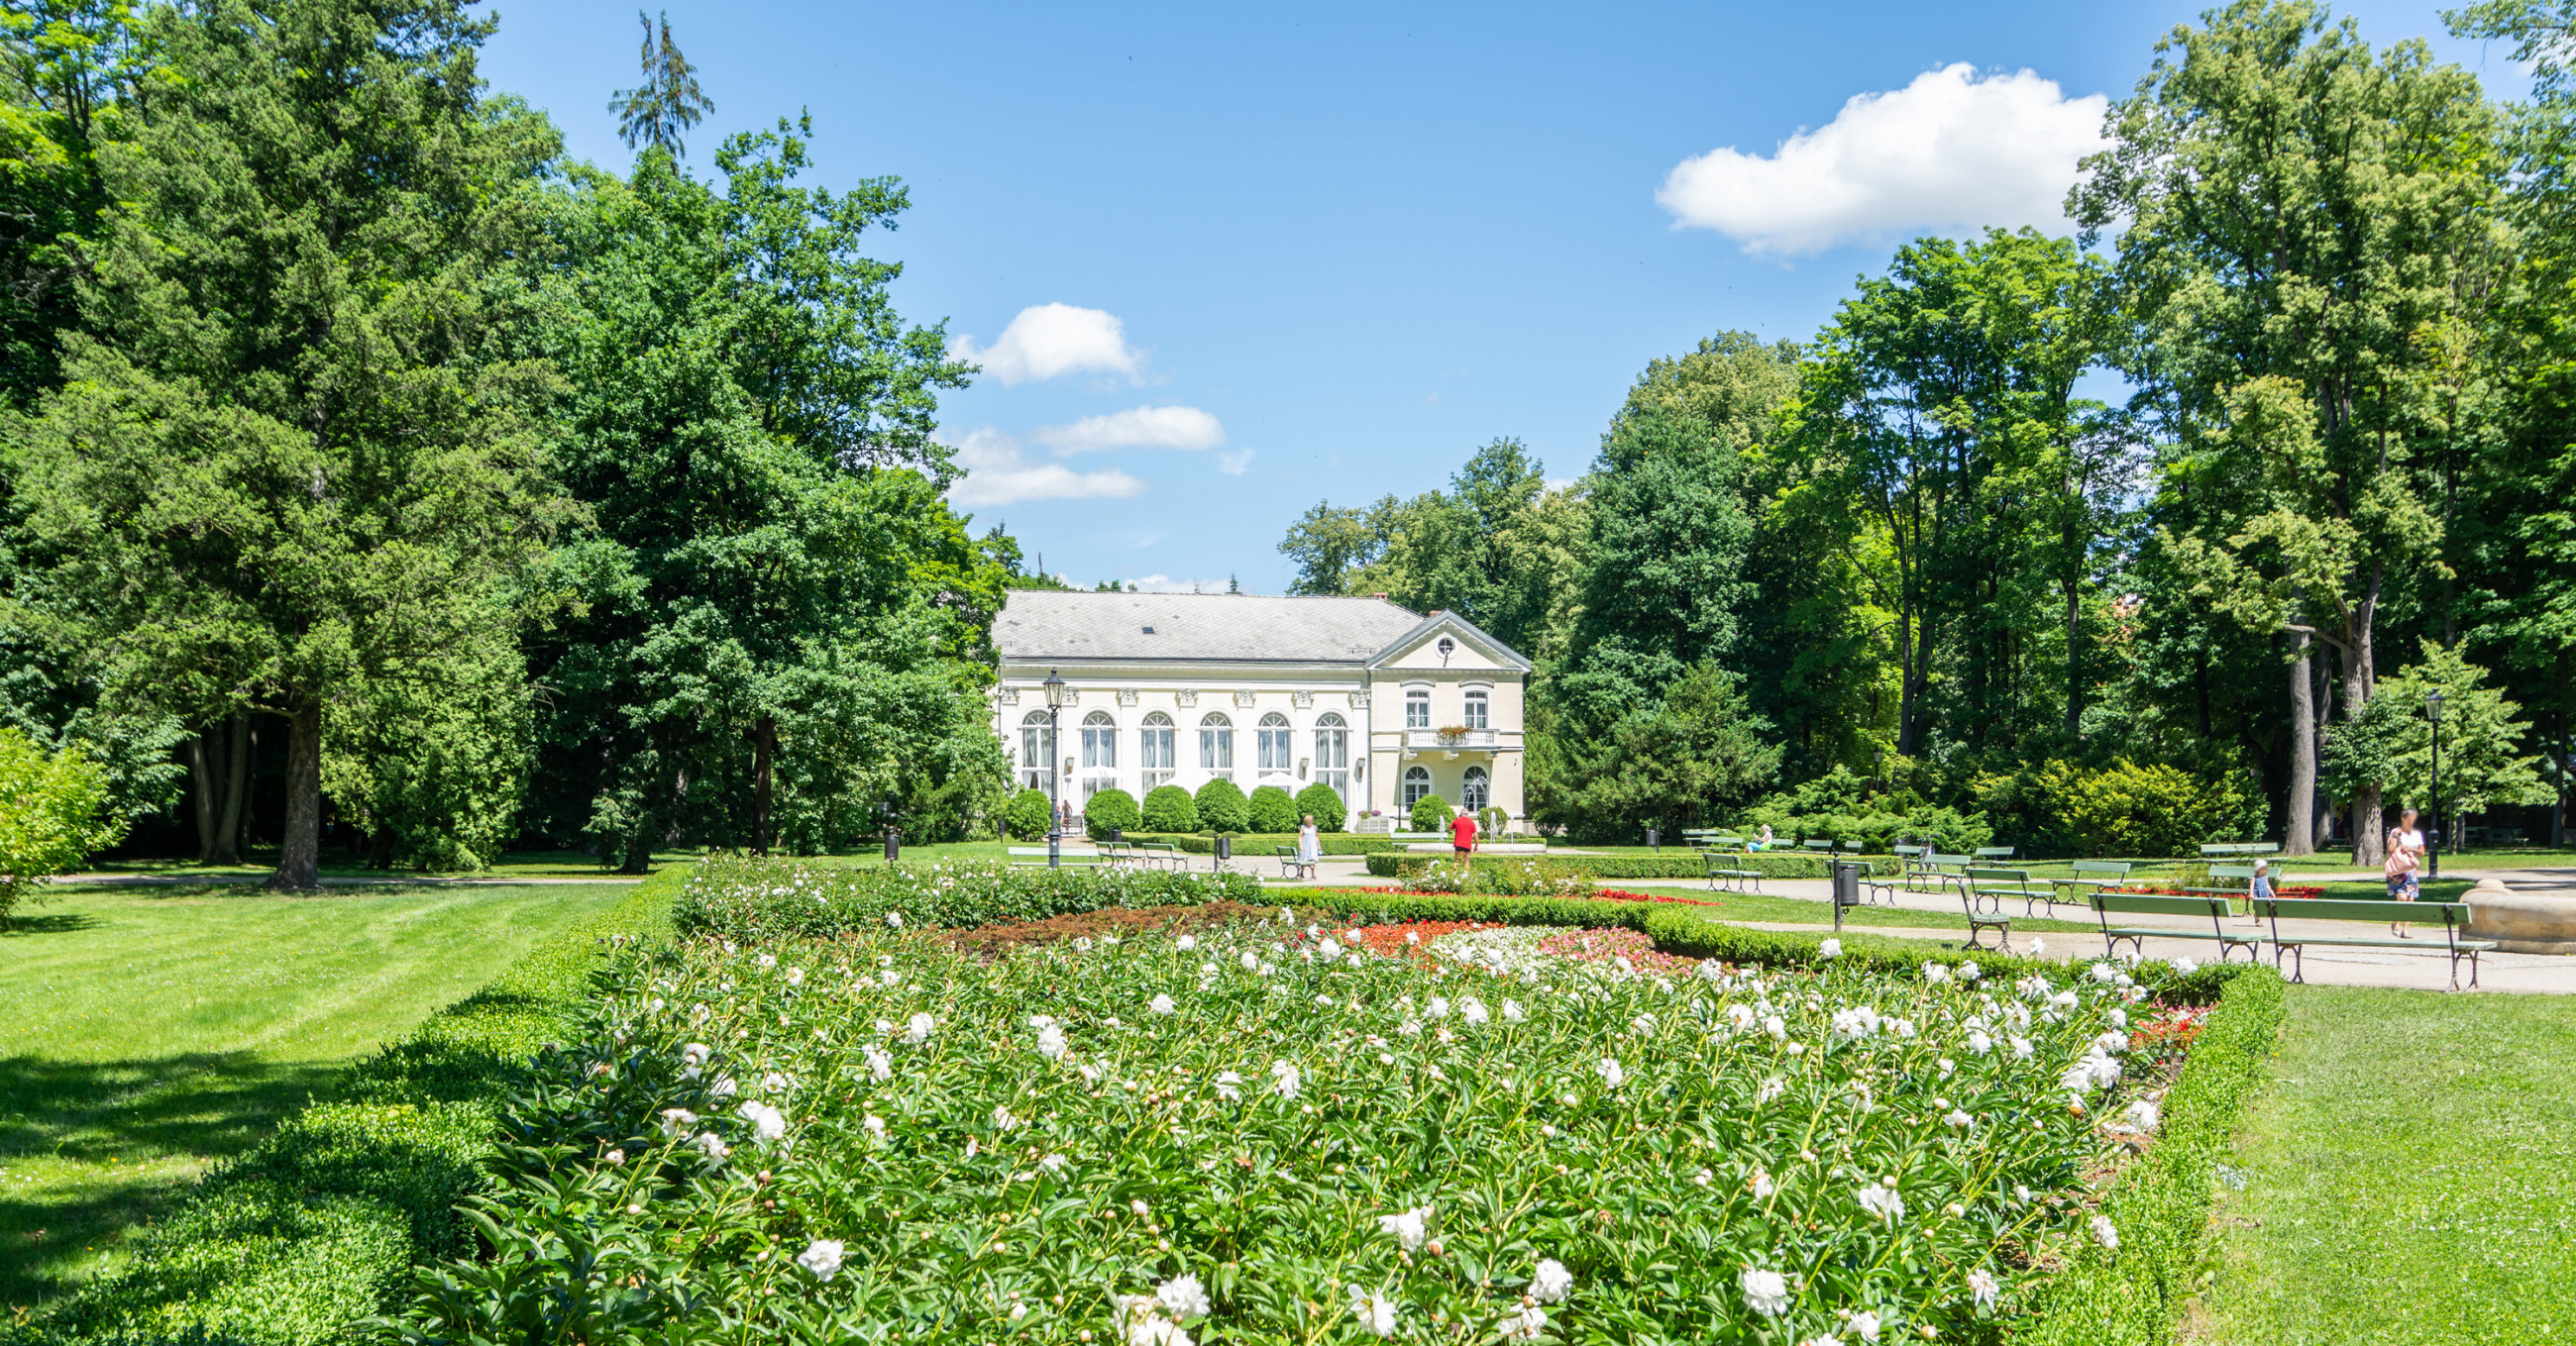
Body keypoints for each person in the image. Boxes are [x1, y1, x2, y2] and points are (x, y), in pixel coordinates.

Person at [2385, 807, 2426, 937]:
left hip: (2411, 870)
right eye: (2409, 819)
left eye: (2414, 819)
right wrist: (2397, 837)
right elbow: (2390, 849)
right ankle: (2395, 921)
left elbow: (2422, 852)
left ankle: (2406, 929)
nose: (2412, 821)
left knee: (2410, 899)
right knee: (2402, 898)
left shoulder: (2416, 833)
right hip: (2397, 870)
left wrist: (2411, 849)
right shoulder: (2395, 832)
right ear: (2403, 819)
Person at [1294, 814, 1321, 880]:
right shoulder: (1303, 827)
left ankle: (1312, 874)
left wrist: (1319, 845)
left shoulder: (1314, 827)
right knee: (1304, 859)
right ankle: (1302, 872)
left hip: (1313, 846)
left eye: (1310, 820)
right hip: (1305, 845)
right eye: (1308, 820)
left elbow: (1316, 836)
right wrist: (1300, 845)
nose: (1309, 821)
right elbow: (1300, 837)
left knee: (1312, 860)